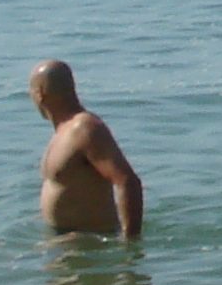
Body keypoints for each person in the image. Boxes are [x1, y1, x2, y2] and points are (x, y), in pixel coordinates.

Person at [33, 58, 144, 237]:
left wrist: (130, 246)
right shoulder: (63, 132)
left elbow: (127, 181)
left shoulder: (85, 129)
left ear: (40, 93)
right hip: (63, 240)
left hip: (88, 242)